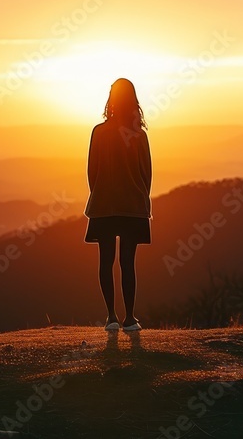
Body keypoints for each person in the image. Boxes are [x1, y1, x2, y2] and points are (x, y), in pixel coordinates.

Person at [84, 78, 152, 332]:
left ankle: (111, 316)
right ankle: (130, 318)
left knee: (105, 261)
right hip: (132, 206)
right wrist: (141, 198)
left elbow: (92, 171)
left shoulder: (99, 132)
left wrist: (100, 193)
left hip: (104, 204)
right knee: (127, 263)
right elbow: (146, 173)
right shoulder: (139, 135)